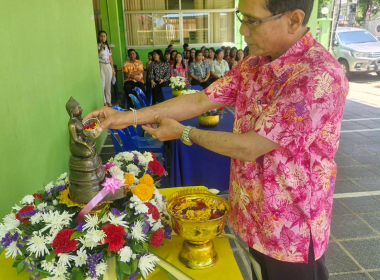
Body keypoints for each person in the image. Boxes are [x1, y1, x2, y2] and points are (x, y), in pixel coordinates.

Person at [85, 1, 349, 279]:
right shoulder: (257, 62)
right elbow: (202, 99)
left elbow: (251, 146)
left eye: (252, 21)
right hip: (253, 215)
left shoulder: (318, 75)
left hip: (289, 229)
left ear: (293, 20)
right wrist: (123, 117)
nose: (243, 29)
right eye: (241, 17)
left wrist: (184, 132)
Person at [97, 30, 115, 107]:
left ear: (106, 37)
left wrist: (113, 68)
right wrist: (100, 48)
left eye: (104, 36)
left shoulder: (108, 47)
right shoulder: (97, 45)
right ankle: (104, 101)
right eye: (101, 36)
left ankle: (108, 101)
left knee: (108, 85)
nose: (103, 37)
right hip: (101, 65)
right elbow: (96, 56)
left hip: (108, 66)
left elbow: (110, 58)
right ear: (98, 37)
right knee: (102, 84)